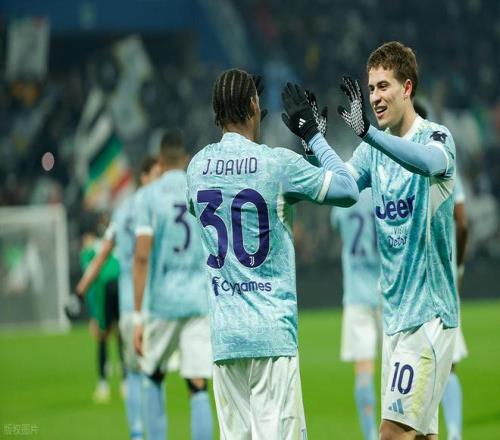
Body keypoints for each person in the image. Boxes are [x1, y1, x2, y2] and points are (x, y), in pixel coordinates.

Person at [185, 68, 358, 439]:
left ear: (216, 111)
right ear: (254, 106)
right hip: (271, 335)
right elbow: (347, 189)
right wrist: (313, 136)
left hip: (226, 340)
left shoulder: (196, 168)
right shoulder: (276, 164)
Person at [337, 41, 458, 439]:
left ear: (407, 88)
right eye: (371, 88)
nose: (374, 97)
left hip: (428, 316)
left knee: (391, 433)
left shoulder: (436, 137)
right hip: (394, 319)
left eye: (383, 86)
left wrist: (369, 135)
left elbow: (427, 163)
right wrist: (314, 142)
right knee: (420, 435)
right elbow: (340, 187)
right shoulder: (372, 151)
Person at [133, 129, 213, 440]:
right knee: (198, 384)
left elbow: (142, 256)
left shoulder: (148, 196)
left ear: (160, 160)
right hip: (198, 301)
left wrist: (138, 316)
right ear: (184, 158)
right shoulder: (200, 187)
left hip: (164, 302)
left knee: (153, 374)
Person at [77, 155, 161, 438]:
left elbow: (102, 253)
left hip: (128, 304)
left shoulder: (122, 212)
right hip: (149, 303)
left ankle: (137, 432)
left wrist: (80, 289)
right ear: (144, 178)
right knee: (152, 375)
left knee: (135, 374)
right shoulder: (156, 209)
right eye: (157, 175)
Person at [331, 188, 381, 440]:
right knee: (397, 366)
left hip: (356, 295)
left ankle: (370, 435)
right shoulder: (384, 190)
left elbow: (337, 226)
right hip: (389, 292)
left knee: (363, 370)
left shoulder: (344, 199)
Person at [77, 212, 121, 404]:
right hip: (111, 292)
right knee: (113, 336)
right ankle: (113, 383)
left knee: (112, 337)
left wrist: (94, 313)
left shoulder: (97, 251)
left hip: (110, 293)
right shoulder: (104, 248)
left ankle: (112, 383)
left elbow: (91, 282)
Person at [441, 171, 468, 440]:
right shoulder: (448, 171)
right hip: (446, 281)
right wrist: (457, 267)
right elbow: (462, 224)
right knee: (449, 365)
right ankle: (454, 432)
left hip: (412, 283)